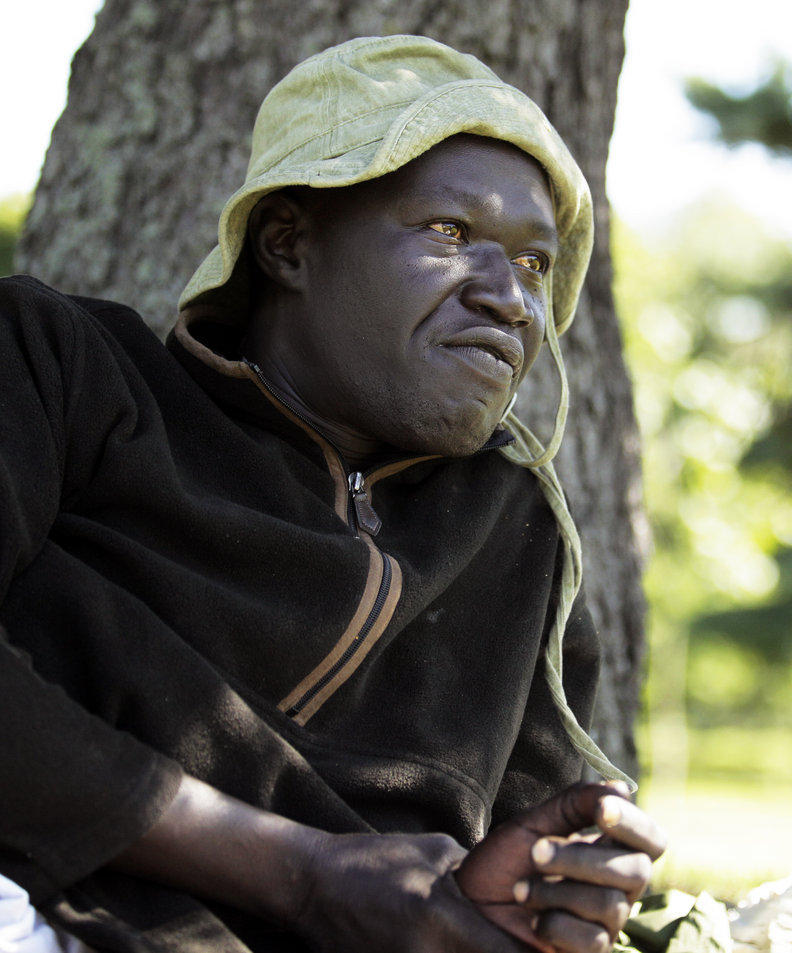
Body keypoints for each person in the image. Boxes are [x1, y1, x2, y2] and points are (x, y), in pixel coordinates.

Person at [0, 35, 665, 953]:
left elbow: (500, 868)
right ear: (288, 242)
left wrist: (530, 900)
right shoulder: (61, 366)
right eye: (451, 232)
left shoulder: (517, 536)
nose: (512, 297)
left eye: (536, 264)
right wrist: (305, 873)